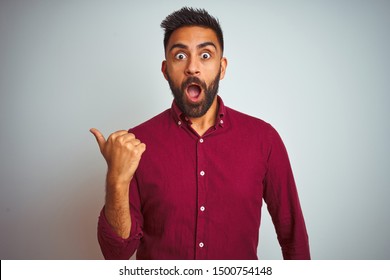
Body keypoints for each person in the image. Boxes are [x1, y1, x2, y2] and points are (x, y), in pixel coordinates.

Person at [90, 7, 310, 260]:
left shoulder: (264, 139)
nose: (193, 67)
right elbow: (116, 254)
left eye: (205, 55)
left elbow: (293, 238)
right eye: (180, 55)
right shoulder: (136, 145)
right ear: (165, 69)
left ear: (222, 67)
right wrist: (116, 180)